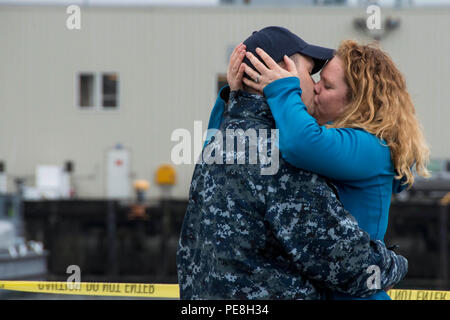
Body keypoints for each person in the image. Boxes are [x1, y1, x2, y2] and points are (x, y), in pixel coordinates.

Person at [176, 26, 408, 300]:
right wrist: (394, 266)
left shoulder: (217, 145)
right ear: (285, 75)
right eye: (311, 73)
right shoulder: (285, 159)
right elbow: (346, 264)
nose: (315, 85)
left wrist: (234, 96)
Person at [225, 37, 430, 300]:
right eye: (318, 79)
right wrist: (235, 96)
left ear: (358, 102)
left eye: (328, 85)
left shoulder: (371, 149)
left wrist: (282, 88)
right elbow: (222, 150)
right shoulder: (340, 144)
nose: (316, 88)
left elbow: (301, 143)